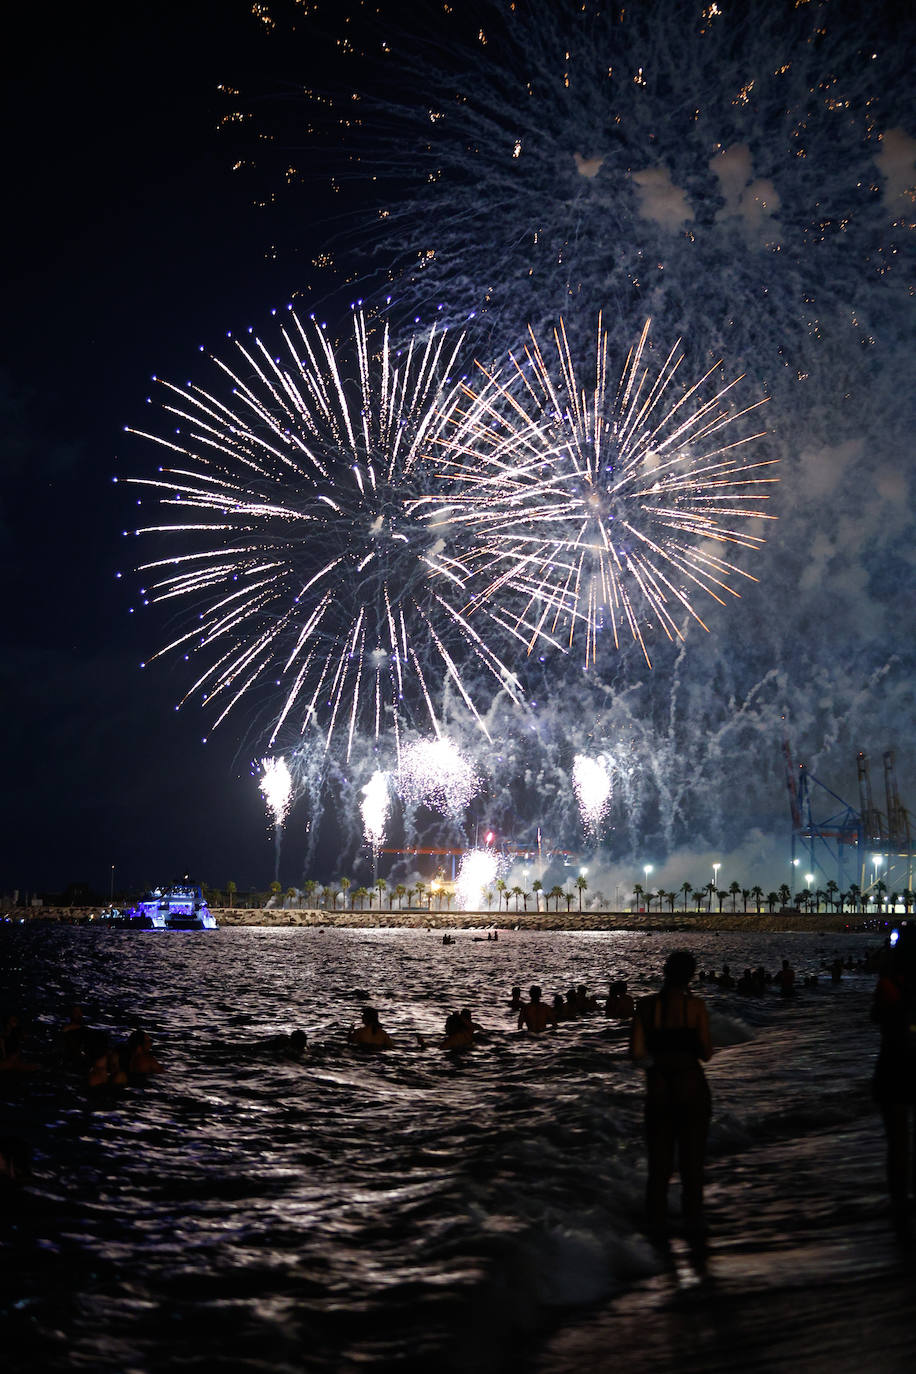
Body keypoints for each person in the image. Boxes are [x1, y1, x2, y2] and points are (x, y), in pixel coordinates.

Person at [630, 950, 713, 1237]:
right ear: (690, 975)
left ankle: (656, 1227)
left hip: (660, 1091)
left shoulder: (645, 1006)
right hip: (692, 1088)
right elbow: (706, 1053)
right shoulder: (696, 1007)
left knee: (659, 1166)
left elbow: (637, 1053)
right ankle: (693, 1222)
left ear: (664, 971)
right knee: (692, 1163)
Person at [870, 926, 916, 1236]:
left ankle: (898, 1202)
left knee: (896, 1142)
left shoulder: (888, 986)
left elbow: (876, 1017)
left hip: (893, 1066)